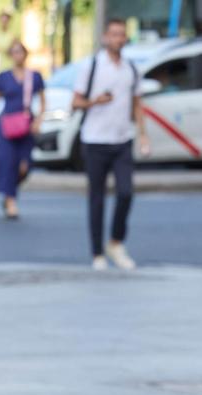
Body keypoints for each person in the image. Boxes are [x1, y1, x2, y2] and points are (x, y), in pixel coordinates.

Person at [72, 18, 150, 271]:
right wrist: (95, 101)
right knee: (97, 199)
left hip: (122, 140)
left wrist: (143, 134)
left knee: (126, 193)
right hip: (95, 140)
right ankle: (97, 254)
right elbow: (76, 102)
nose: (118, 38)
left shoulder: (130, 69)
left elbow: (137, 104)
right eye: (114, 34)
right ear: (105, 37)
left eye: (122, 34)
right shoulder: (92, 66)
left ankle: (116, 242)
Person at [0, 40, 44, 219]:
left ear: (25, 54)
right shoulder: (3, 77)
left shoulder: (34, 76)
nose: (18, 55)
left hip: (26, 124)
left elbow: (42, 100)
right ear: (11, 55)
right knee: (8, 163)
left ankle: (10, 191)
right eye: (14, 52)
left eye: (21, 52)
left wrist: (39, 120)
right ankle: (10, 200)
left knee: (25, 166)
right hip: (7, 125)